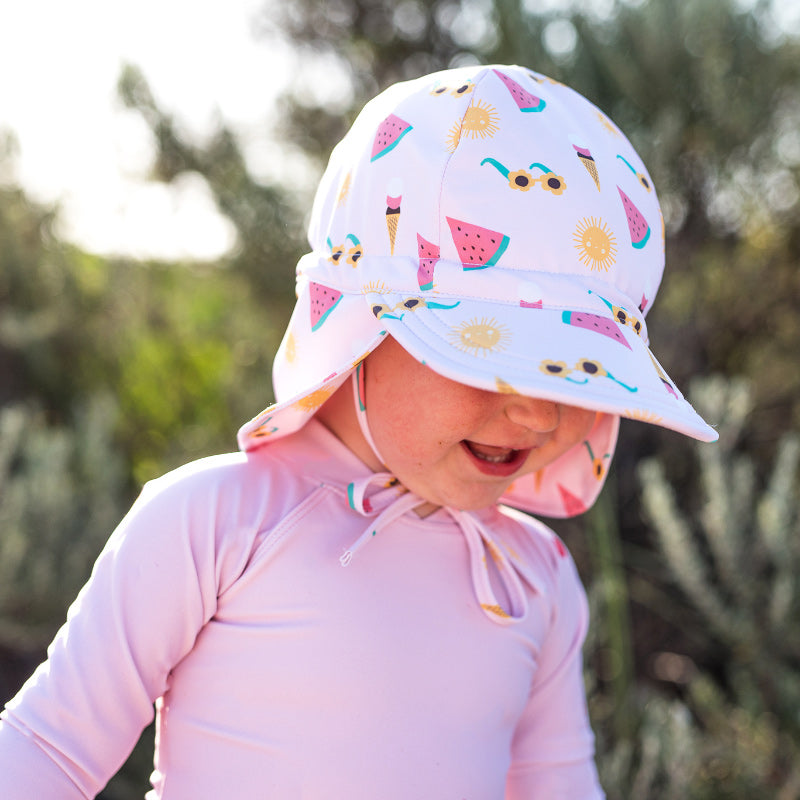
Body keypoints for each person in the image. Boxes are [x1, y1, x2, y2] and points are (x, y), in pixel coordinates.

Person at [0, 64, 717, 799]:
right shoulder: (214, 522)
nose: (537, 412)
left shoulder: (536, 579)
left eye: (575, 375)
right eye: (491, 359)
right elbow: (48, 752)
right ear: (361, 321)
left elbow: (557, 788)